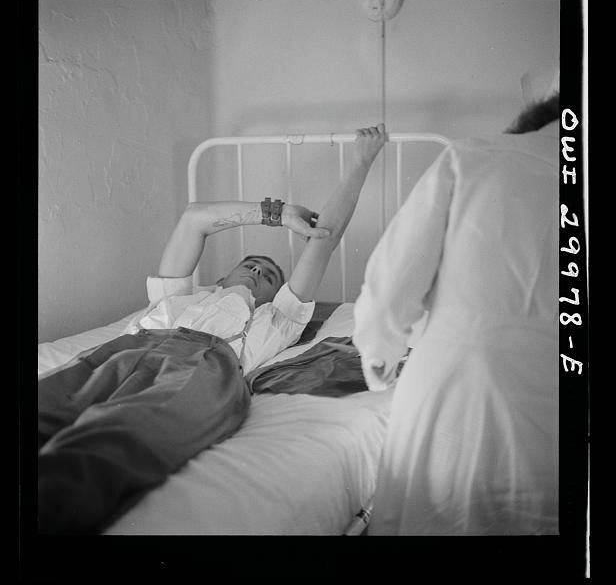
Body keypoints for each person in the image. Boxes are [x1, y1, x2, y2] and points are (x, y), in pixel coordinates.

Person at [38, 124, 386, 534]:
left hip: (204, 366)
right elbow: (194, 219)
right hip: (121, 351)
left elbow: (324, 241)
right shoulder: (175, 299)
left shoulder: (276, 319)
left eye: (270, 275)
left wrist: (361, 161)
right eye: (251, 264)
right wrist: (277, 214)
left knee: (117, 440)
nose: (259, 270)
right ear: (220, 277)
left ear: (276, 296)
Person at [353, 80, 560, 535]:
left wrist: (379, 360)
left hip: (452, 393)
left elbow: (392, 287)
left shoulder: (474, 157)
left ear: (534, 119)